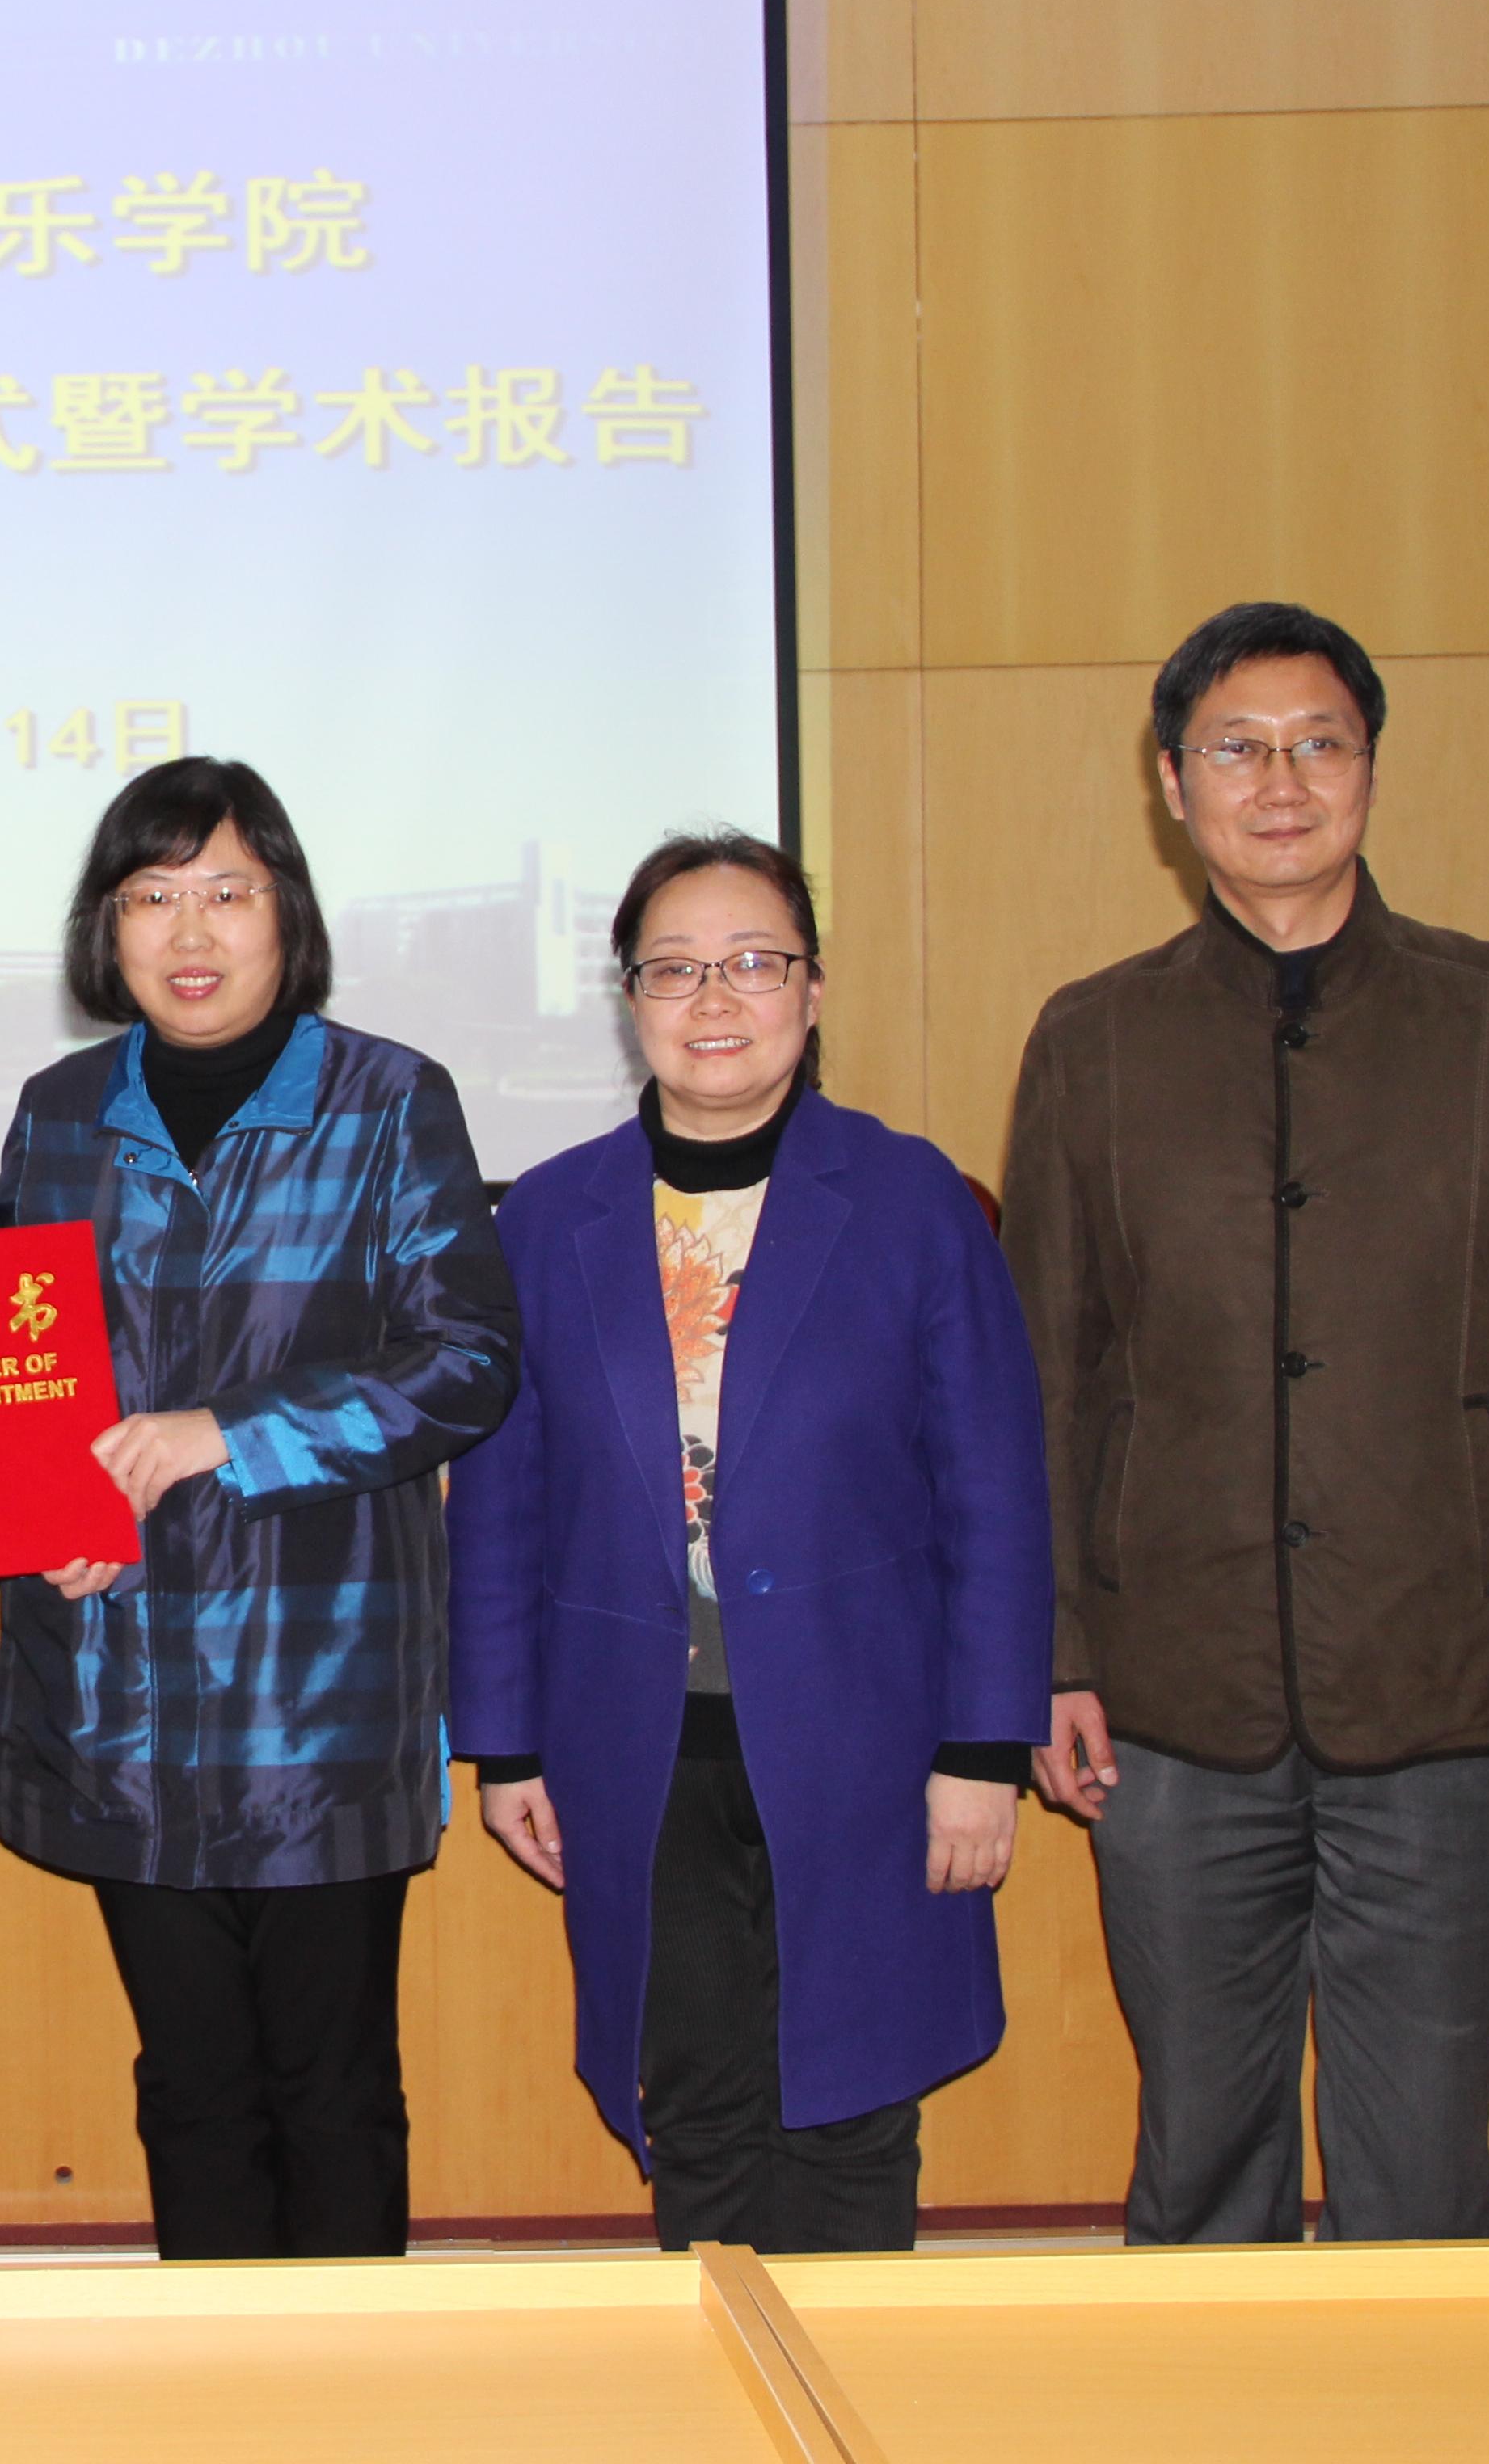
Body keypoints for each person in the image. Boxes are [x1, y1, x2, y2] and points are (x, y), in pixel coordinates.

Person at [1006, 602, 1489, 2244]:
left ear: (1371, 767)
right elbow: (1044, 1382)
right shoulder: (1095, 1038)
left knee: (1420, 2158)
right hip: (1167, 1696)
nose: (1282, 783)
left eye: (1320, 744)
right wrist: (1049, 1655)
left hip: (1447, 1679)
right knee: (1201, 2156)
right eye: (1237, 749)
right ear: (1173, 785)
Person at [446, 832, 1048, 2255]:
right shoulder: (550, 1216)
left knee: (851, 2106)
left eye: (754, 964)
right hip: (635, 1741)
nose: (714, 1000)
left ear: (814, 990)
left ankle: (844, 2378)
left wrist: (983, 1751)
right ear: (630, 1002)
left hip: (870, 1733)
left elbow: (995, 1491)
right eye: (673, 970)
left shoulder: (911, 1203)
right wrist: (506, 1746)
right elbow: (504, 1503)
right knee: (701, 2106)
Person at [0, 756, 521, 2260]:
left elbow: (468, 1361)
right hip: (119, 1692)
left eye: (228, 889)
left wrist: (232, 1432)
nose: (190, 929)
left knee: (331, 2091)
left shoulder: (388, 1100)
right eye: (151, 894)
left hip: (321, 1695)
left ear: (288, 913)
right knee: (191, 2089)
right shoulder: (59, 1112)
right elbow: (11, 1384)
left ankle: (347, 2380)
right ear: (107, 927)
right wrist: (37, 1514)